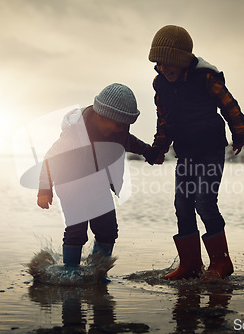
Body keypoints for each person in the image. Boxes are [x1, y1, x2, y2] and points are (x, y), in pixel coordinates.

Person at [146, 25, 244, 281]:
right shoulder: (161, 84)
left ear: (183, 60)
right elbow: (164, 120)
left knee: (204, 201)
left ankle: (221, 263)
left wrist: (239, 132)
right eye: (159, 62)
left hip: (211, 150)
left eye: (168, 62)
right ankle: (190, 265)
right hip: (186, 153)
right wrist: (159, 148)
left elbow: (229, 104)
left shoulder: (205, 78)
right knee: (182, 204)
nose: (163, 67)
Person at [37, 83, 155, 278]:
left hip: (98, 185)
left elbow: (130, 142)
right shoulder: (74, 134)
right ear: (101, 116)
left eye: (126, 125)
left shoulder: (118, 131)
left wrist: (149, 153)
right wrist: (44, 189)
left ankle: (97, 271)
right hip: (71, 185)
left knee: (108, 230)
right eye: (119, 125)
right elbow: (50, 159)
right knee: (77, 230)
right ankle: (71, 271)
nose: (122, 129)